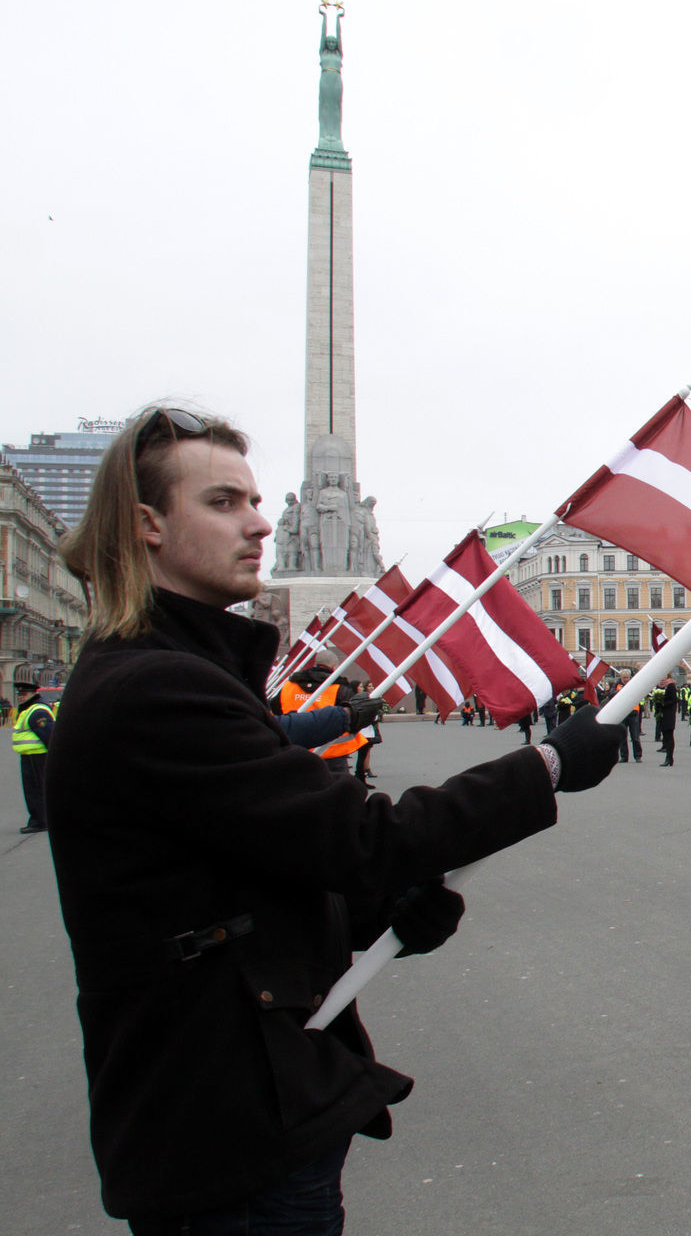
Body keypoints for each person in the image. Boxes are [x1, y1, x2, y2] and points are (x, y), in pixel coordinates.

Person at [42, 406, 626, 1230]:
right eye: (221, 502)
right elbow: (361, 839)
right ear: (146, 524)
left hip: (230, 1106)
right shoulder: (154, 689)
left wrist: (374, 915)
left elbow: (241, 869)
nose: (256, 523)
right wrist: (549, 765)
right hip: (228, 1122)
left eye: (252, 500)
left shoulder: (167, 673)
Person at [12, 677, 55, 834]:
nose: (21, 697)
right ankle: (38, 819)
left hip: (37, 757)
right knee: (32, 790)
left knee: (36, 790)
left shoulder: (37, 711)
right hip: (29, 756)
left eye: (24, 694)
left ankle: (40, 821)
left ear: (32, 694)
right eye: (20, 694)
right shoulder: (28, 710)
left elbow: (49, 735)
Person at [655, 676, 678, 767]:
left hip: (669, 713)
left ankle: (669, 757)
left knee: (669, 735)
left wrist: (663, 703)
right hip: (661, 713)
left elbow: (674, 700)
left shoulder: (671, 685)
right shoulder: (659, 686)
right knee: (665, 735)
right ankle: (668, 757)